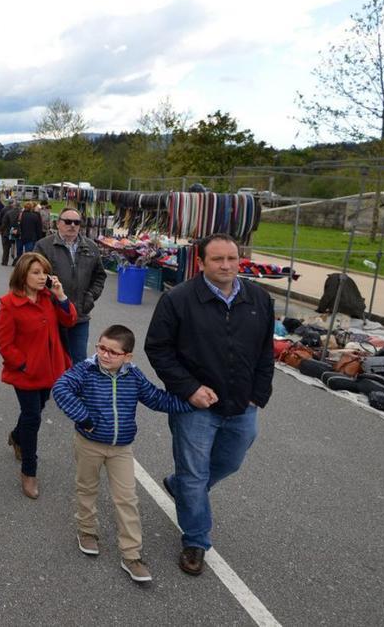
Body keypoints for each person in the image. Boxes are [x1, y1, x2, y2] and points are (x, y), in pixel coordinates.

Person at [144, 233, 275, 577]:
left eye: (232, 258)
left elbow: (265, 352)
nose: (227, 265)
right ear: (201, 262)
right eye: (218, 259)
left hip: (242, 404)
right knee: (194, 472)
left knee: (230, 461)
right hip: (194, 408)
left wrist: (257, 395)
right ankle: (196, 540)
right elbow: (158, 348)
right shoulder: (179, 299)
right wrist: (189, 389)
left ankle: (182, 487)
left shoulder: (258, 299)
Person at [52, 324, 207, 583]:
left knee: (127, 499)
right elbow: (60, 389)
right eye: (101, 347)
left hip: (121, 449)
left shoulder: (133, 377)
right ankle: (87, 531)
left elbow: (158, 399)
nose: (105, 355)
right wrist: (85, 418)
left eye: (113, 352)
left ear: (127, 357)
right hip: (89, 443)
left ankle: (132, 555)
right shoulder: (85, 370)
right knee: (87, 488)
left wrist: (191, 403)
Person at [0, 252, 77, 500]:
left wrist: (61, 296)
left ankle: (16, 436)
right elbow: (5, 343)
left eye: (44, 272)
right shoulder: (10, 304)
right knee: (33, 417)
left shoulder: (48, 298)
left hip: (50, 370)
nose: (42, 277)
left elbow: (70, 320)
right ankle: (29, 471)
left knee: (38, 409)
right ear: (23, 274)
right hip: (27, 373)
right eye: (36, 272)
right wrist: (24, 365)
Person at [33, 207, 107, 364]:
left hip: (79, 315)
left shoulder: (91, 247)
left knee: (78, 361)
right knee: (50, 358)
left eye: (76, 222)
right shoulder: (43, 246)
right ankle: (54, 388)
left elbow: (100, 276)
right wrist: (50, 299)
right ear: (58, 223)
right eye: (67, 221)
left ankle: (74, 389)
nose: (72, 225)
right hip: (51, 314)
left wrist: (90, 297)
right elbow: (33, 276)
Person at [0, 200, 20, 266]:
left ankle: (4, 261)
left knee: (6, 248)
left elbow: (4, 223)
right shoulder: (21, 213)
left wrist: (1, 230)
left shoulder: (8, 213)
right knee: (17, 248)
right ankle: (15, 262)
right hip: (18, 232)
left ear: (14, 205)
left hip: (7, 232)